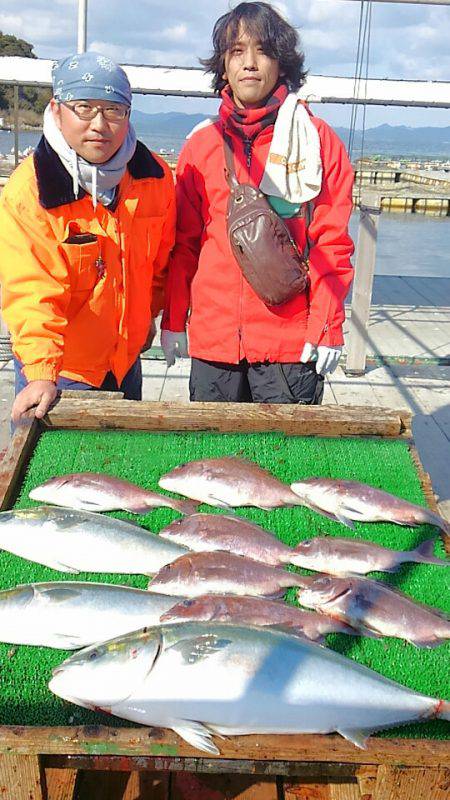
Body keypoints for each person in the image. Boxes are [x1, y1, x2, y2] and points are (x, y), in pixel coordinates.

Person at [161, 2, 354, 404]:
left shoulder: (318, 142)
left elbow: (331, 243)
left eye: (263, 50)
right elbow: (185, 246)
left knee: (286, 465)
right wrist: (174, 318)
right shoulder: (201, 145)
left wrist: (327, 326)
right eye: (236, 51)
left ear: (282, 64)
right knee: (214, 461)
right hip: (214, 343)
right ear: (224, 67)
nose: (249, 63)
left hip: (289, 344)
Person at [0, 51, 175, 424]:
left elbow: (162, 260)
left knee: (122, 470)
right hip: (63, 373)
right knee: (56, 478)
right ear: (57, 109)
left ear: (129, 116)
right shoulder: (30, 190)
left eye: (114, 110)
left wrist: (149, 317)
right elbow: (31, 293)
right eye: (84, 107)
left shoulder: (155, 177)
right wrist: (41, 373)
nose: (100, 124)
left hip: (126, 363)